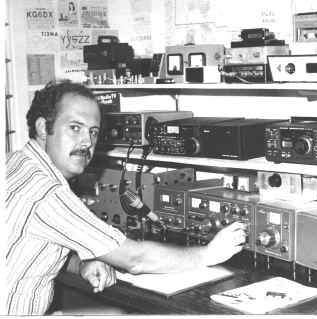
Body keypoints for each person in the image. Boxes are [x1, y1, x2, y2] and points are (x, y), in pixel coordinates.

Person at [6, 80, 247, 315]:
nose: (87, 142)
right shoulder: (48, 192)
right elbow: (135, 259)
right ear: (41, 127)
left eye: (93, 132)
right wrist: (210, 253)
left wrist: (81, 264)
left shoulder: (16, 164)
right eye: (74, 128)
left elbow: (39, 245)